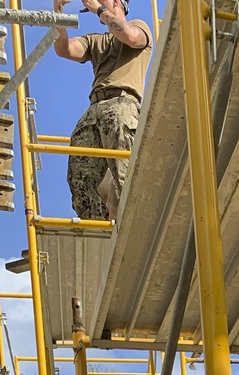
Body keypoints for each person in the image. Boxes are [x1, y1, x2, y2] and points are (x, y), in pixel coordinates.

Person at [53, 0, 151, 221]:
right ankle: (100, 228)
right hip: (95, 108)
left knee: (125, 171)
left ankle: (136, 220)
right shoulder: (96, 40)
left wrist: (99, 10)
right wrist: (57, 10)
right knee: (80, 178)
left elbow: (132, 37)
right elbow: (64, 49)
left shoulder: (138, 25)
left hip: (122, 103)